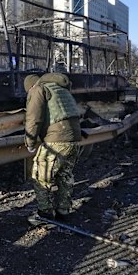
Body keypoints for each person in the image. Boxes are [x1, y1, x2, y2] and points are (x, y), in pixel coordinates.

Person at [23, 73, 83, 225]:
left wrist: (30, 142)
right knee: (65, 175)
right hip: (74, 138)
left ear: (30, 86)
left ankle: (45, 214)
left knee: (40, 175)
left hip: (57, 138)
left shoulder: (37, 89)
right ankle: (63, 211)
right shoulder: (60, 89)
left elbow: (33, 118)